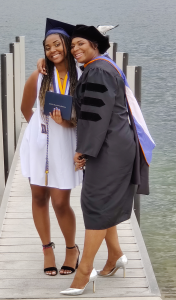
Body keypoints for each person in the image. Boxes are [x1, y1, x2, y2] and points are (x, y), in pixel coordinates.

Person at [60, 24, 155, 295]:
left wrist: (84, 150)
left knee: (96, 203)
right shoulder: (102, 66)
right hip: (114, 143)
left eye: (81, 44)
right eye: (72, 45)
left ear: (95, 44)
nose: (75, 49)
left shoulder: (97, 70)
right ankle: (115, 257)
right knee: (103, 202)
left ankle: (84, 272)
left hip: (109, 146)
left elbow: (96, 116)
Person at [20, 18, 84, 276]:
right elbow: (26, 109)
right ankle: (47, 249)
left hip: (66, 144)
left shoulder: (82, 75)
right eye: (47, 47)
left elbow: (87, 116)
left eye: (57, 44)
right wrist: (41, 129)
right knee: (38, 197)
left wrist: (67, 125)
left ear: (67, 46)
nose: (52, 50)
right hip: (40, 143)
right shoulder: (40, 75)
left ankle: (72, 249)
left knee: (60, 201)